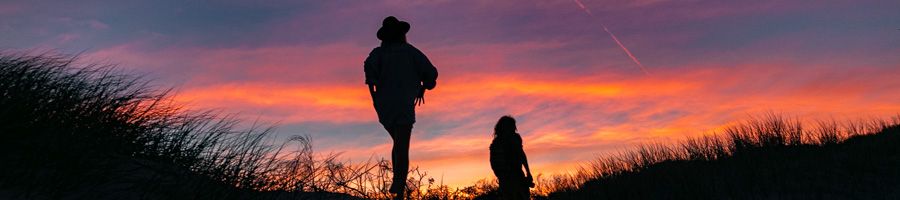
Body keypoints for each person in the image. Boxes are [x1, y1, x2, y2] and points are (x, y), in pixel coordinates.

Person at [364, 16, 438, 199]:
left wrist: (375, 100)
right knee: (402, 145)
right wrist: (424, 86)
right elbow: (431, 74)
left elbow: (369, 77)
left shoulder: (377, 54)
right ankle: (399, 188)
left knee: (398, 142)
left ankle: (398, 185)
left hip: (384, 106)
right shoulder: (410, 52)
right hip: (403, 104)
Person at [490, 116, 535, 200]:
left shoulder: (516, 138)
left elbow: (521, 154)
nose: (514, 128)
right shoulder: (497, 142)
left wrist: (528, 172)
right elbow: (494, 162)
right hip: (506, 177)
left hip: (517, 173)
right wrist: (502, 175)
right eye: (512, 125)